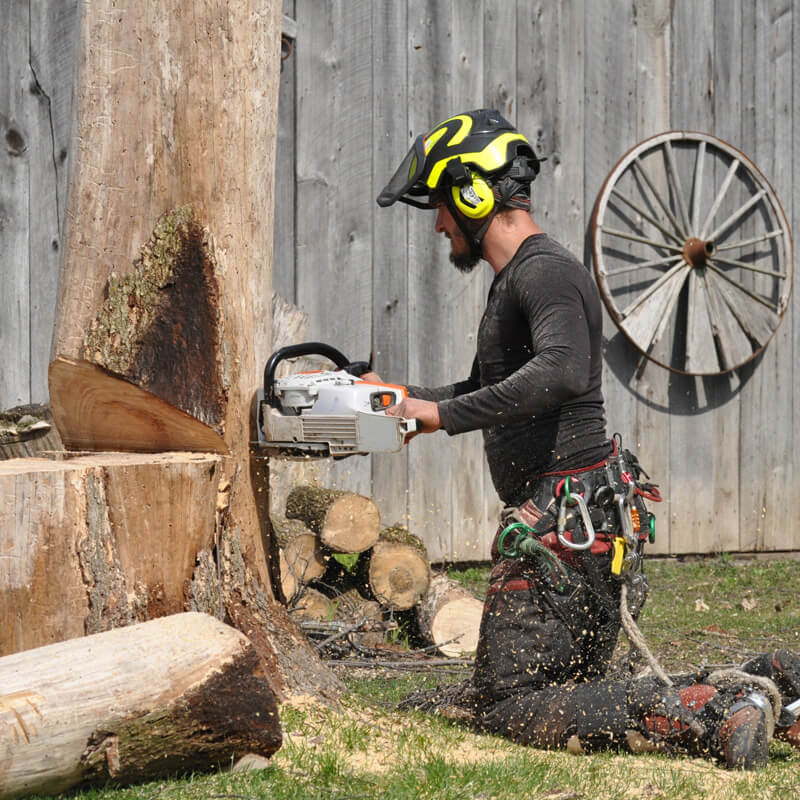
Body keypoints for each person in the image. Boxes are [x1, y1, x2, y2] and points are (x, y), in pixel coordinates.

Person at [372, 108, 800, 768]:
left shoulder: (544, 271)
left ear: (472, 192)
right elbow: (486, 389)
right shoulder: (518, 279)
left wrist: (438, 416)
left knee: (512, 702)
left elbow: (564, 370)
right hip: (581, 524)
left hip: (565, 529)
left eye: (440, 207)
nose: (437, 224)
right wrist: (401, 403)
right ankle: (779, 681)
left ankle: (715, 716)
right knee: (563, 693)